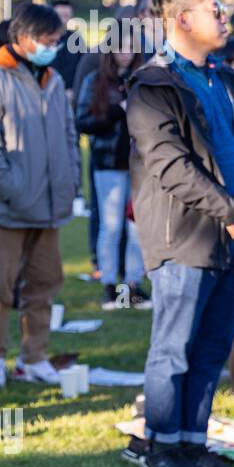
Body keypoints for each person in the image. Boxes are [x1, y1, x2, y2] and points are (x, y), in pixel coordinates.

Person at [126, 0, 234, 467]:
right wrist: (230, 210)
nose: (225, 18)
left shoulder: (226, 79)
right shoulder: (152, 84)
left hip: (233, 232)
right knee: (174, 349)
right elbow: (171, 165)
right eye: (215, 10)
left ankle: (192, 443)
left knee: (210, 349)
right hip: (184, 235)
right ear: (183, 20)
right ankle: (159, 447)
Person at [0, 2, 79, 387]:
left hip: (49, 207)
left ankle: (34, 357)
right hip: (7, 208)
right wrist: (15, 193)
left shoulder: (53, 79)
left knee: (44, 285)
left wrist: (70, 181)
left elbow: (69, 135)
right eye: (48, 40)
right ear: (23, 38)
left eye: (57, 40)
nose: (54, 47)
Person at [76, 25, 148, 310]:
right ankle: (109, 284)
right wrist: (117, 111)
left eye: (131, 47)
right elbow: (83, 122)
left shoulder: (143, 79)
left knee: (137, 227)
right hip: (108, 162)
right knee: (111, 226)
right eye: (121, 47)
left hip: (140, 164)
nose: (126, 53)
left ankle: (132, 284)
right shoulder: (95, 81)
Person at [48, 0, 84, 97]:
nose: (63, 20)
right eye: (60, 16)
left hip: (69, 94)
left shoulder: (76, 39)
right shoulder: (42, 39)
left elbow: (81, 67)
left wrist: (74, 90)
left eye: (67, 16)